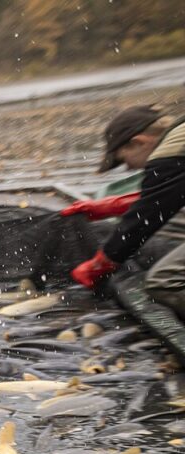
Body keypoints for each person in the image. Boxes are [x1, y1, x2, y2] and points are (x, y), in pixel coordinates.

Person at [65, 105, 185, 314]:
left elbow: (149, 213)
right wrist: (112, 206)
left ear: (139, 142)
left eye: (124, 160)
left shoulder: (169, 153)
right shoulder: (179, 133)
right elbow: (169, 194)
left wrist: (100, 264)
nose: (129, 168)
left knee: (163, 281)